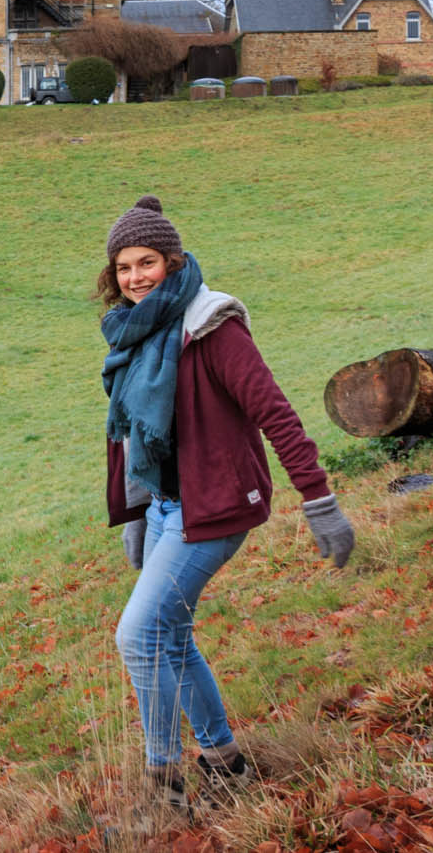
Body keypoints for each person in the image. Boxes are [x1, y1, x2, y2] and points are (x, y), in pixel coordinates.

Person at [98, 195, 355, 805]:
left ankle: (163, 790)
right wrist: (137, 511)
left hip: (213, 507)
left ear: (173, 259)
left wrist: (318, 501)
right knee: (173, 638)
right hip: (165, 507)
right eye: (124, 268)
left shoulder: (212, 325)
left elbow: (276, 414)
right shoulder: (134, 331)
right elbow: (128, 428)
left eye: (147, 263)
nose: (135, 278)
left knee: (139, 636)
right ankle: (225, 763)